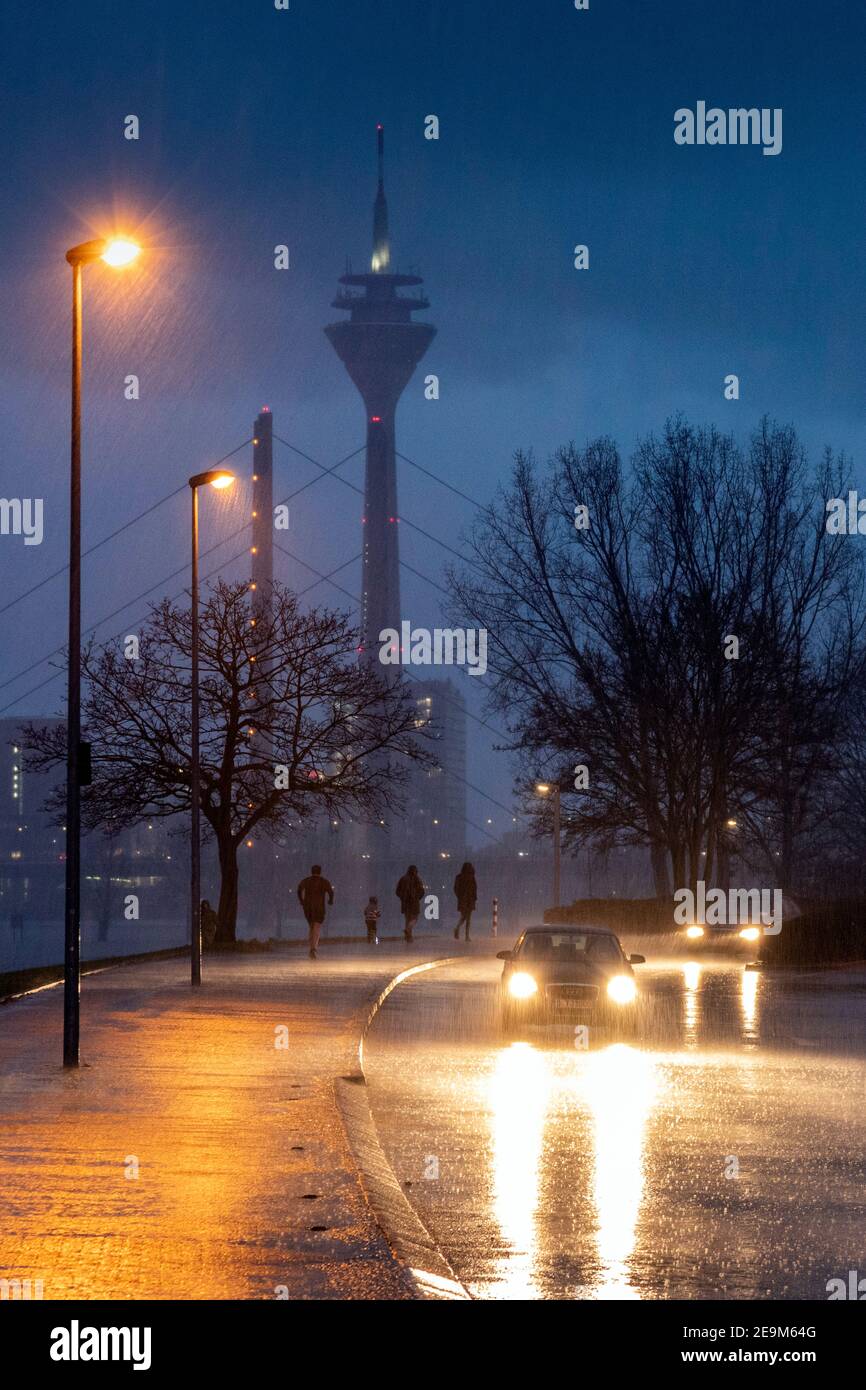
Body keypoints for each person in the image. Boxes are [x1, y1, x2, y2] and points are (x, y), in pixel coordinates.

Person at [297, 864, 334, 960]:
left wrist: (301, 900)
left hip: (308, 907)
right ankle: (313, 948)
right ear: (320, 872)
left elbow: (299, 889)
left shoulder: (306, 881)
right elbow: (330, 892)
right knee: (317, 926)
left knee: (311, 926)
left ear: (311, 871)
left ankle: (312, 947)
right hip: (319, 908)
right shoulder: (324, 882)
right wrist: (330, 900)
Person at [396, 864, 425, 943]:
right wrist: (417, 897)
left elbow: (397, 891)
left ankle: (408, 936)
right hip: (414, 901)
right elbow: (422, 891)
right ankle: (408, 931)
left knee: (407, 919)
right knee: (415, 918)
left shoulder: (403, 879)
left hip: (405, 902)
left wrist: (402, 897)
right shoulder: (417, 879)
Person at [453, 862, 477, 941]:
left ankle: (458, 928)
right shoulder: (471, 877)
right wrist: (474, 897)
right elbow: (474, 888)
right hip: (470, 899)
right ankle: (466, 935)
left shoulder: (459, 877)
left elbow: (455, 888)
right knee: (467, 918)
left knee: (464, 916)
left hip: (463, 899)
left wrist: (459, 896)